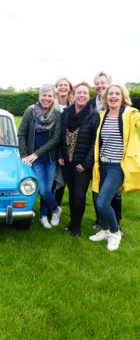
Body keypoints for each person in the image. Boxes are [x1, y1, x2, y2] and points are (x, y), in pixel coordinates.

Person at [89, 85, 140, 250]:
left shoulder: (130, 114)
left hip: (117, 166)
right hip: (102, 165)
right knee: (98, 199)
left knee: (103, 201)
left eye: (117, 94)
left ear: (122, 97)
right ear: (106, 97)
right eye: (110, 94)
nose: (113, 96)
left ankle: (115, 233)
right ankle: (105, 230)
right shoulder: (102, 115)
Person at [18, 84, 62, 229]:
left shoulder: (57, 115)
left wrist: (37, 153)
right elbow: (22, 133)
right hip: (33, 159)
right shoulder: (30, 112)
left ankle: (43, 216)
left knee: (47, 190)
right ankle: (56, 209)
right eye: (44, 95)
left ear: (53, 98)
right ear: (39, 96)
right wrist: (24, 154)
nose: (47, 98)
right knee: (42, 189)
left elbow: (56, 139)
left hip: (49, 159)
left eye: (50, 96)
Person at [58, 82, 98, 237]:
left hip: (82, 165)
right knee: (72, 193)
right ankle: (72, 222)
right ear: (73, 95)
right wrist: (61, 155)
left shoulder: (93, 115)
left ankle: (77, 226)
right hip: (67, 163)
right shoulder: (66, 113)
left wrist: (86, 164)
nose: (81, 95)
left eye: (85, 93)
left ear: (89, 97)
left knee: (79, 195)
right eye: (79, 92)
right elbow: (61, 136)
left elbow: (95, 142)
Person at [89, 72, 122, 230]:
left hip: (116, 162)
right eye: (97, 83)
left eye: (103, 83)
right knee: (97, 191)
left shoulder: (125, 110)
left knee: (112, 195)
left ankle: (116, 224)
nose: (100, 86)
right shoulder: (93, 106)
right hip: (98, 158)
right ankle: (102, 223)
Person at [53, 77, 74, 207]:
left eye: (65, 85)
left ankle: (57, 206)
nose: (63, 87)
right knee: (50, 179)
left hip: (66, 148)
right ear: (56, 88)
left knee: (62, 178)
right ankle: (48, 209)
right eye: (60, 85)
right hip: (51, 146)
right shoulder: (51, 103)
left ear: (69, 88)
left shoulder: (73, 105)